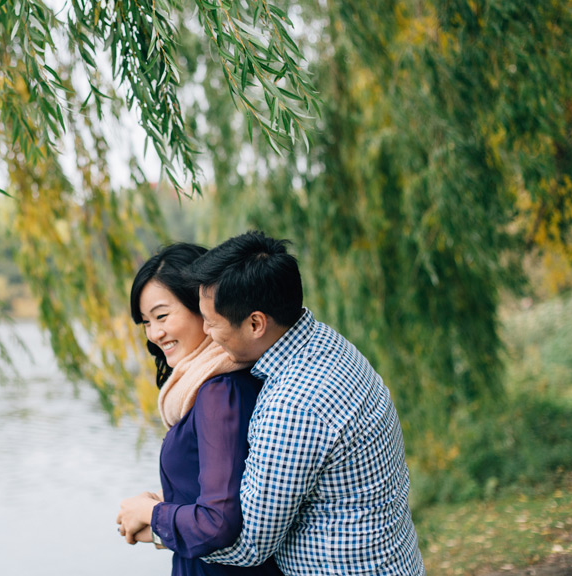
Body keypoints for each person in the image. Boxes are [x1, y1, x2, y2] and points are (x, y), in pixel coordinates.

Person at [190, 231, 426, 575]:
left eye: (212, 323)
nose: (207, 334)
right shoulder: (326, 342)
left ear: (256, 323)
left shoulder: (292, 404)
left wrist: (163, 525)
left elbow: (251, 545)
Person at [116, 243, 283, 576]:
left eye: (162, 316)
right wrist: (162, 510)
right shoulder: (207, 386)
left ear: (204, 307)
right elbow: (232, 491)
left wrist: (152, 513)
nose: (154, 334)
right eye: (146, 322)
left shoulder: (219, 392)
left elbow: (220, 522)